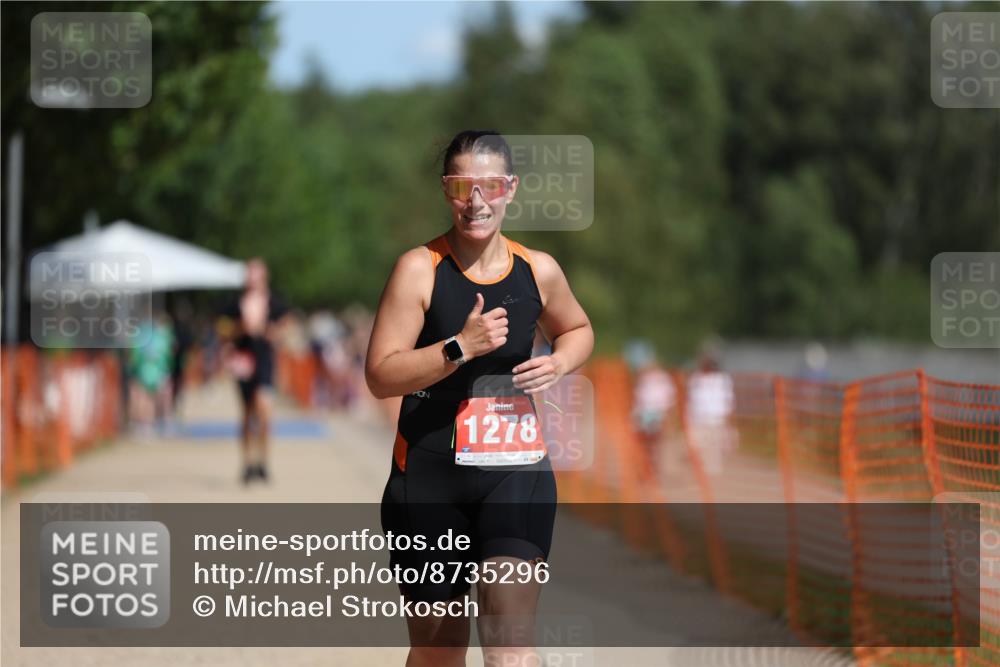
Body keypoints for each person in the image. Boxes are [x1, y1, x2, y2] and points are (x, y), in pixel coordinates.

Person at [365, 130, 593, 667]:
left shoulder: (538, 269)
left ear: (510, 188)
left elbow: (578, 327)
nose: (476, 201)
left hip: (515, 472)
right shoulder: (419, 269)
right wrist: (458, 348)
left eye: (488, 185)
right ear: (446, 191)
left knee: (509, 641)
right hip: (427, 478)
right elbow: (380, 375)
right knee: (439, 651)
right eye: (461, 185)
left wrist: (559, 361)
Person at [219, 259, 288, 484]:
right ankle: (247, 463)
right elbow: (222, 329)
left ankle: (263, 462)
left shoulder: (274, 302)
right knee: (247, 413)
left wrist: (272, 332)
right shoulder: (235, 303)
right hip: (244, 362)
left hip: (265, 361)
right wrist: (241, 328)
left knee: (264, 410)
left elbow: (286, 325)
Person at [685, 346, 736, 477]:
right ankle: (701, 474)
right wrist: (688, 416)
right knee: (696, 446)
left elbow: (728, 400)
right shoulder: (696, 379)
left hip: (716, 418)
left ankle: (711, 478)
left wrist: (728, 419)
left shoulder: (723, 379)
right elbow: (690, 399)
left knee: (714, 449)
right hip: (698, 417)